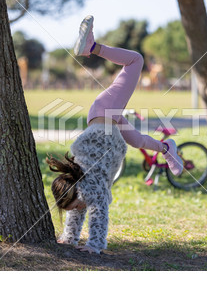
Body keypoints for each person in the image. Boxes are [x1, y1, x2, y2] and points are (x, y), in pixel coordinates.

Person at [46, 15, 183, 254]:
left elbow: (100, 215)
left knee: (136, 60)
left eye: (73, 204)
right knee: (138, 140)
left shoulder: (89, 190)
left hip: (105, 111)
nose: (78, 208)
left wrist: (95, 245)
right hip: (107, 124)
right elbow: (79, 209)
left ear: (78, 191)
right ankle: (167, 148)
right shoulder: (80, 189)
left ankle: (93, 47)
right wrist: (69, 239)